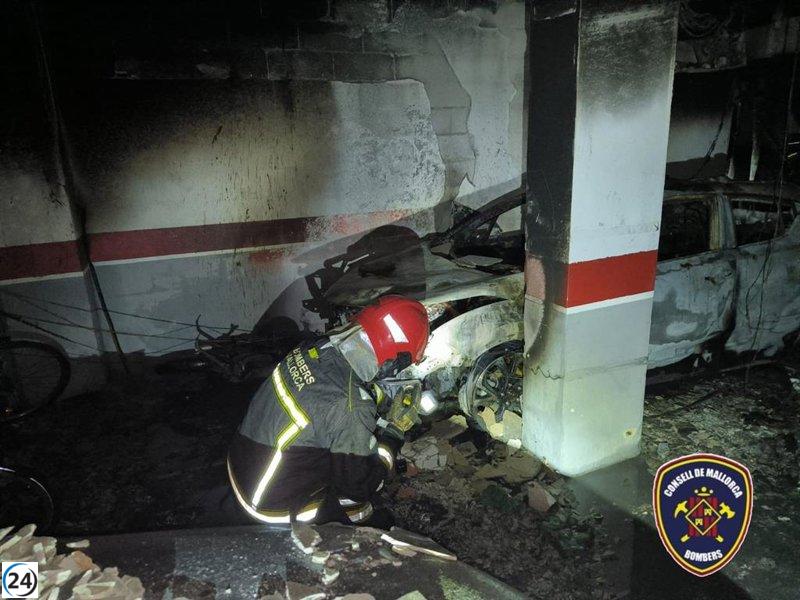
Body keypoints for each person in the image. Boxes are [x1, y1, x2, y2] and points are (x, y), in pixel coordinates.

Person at [227, 295, 429, 527]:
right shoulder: (350, 406)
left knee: (340, 450)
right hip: (269, 505)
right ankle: (359, 530)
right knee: (355, 484)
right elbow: (357, 486)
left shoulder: (315, 348)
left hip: (241, 464)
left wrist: (375, 397)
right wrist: (393, 434)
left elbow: (328, 395)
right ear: (394, 359)